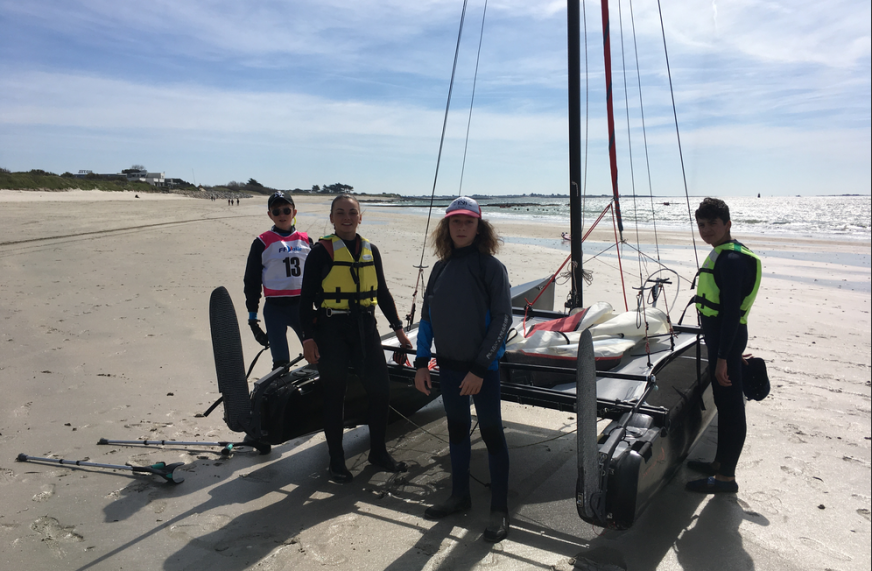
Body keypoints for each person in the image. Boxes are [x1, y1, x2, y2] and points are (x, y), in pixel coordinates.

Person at [413, 196, 513, 543]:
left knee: (492, 434)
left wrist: (480, 368)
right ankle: (459, 496)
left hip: (481, 372)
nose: (461, 227)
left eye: (468, 221)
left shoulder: (491, 268)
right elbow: (427, 318)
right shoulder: (440, 268)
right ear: (447, 226)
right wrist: (421, 363)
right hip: (450, 369)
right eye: (455, 221)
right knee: (456, 432)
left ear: (479, 227)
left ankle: (499, 509)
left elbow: (503, 320)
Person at [299, 194, 412, 483]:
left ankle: (378, 452)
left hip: (365, 328)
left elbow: (382, 292)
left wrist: (399, 329)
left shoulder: (371, 250)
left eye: (352, 212)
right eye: (340, 212)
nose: (346, 217)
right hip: (331, 331)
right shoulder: (320, 252)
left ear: (360, 217)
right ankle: (336, 460)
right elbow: (305, 300)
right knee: (334, 396)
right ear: (331, 218)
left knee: (380, 390)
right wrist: (308, 339)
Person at [686, 197, 762, 494]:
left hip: (725, 342)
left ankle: (726, 479)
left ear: (728, 224)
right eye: (701, 225)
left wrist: (723, 358)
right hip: (726, 342)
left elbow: (730, 313)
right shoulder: (727, 253)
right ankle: (719, 464)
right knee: (724, 404)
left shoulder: (731, 261)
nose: (706, 230)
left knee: (731, 410)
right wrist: (730, 352)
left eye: (712, 224)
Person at [244, 191, 313, 370]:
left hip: (302, 308)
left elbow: (318, 279)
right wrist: (253, 320)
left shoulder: (306, 241)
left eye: (286, 210)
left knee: (317, 358)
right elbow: (252, 281)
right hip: (275, 310)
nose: (282, 215)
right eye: (276, 211)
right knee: (281, 365)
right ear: (270, 215)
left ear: (294, 212)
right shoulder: (261, 242)